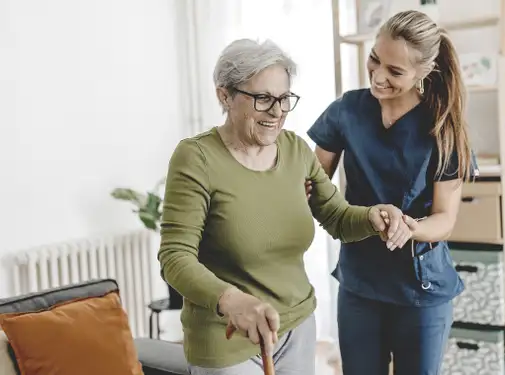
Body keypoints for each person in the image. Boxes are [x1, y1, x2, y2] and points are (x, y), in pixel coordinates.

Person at [157, 38, 410, 375]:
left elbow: (336, 216)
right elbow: (175, 257)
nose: (277, 112)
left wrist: (374, 216)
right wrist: (231, 301)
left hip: (297, 327)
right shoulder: (196, 158)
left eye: (284, 99)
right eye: (263, 99)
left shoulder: (295, 149)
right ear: (224, 96)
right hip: (227, 335)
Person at [306, 10, 479, 375]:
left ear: (422, 73)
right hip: (359, 283)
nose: (378, 76)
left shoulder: (442, 128)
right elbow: (312, 182)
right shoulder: (347, 111)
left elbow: (445, 219)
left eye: (395, 71)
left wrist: (411, 228)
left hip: (421, 289)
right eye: (374, 59)